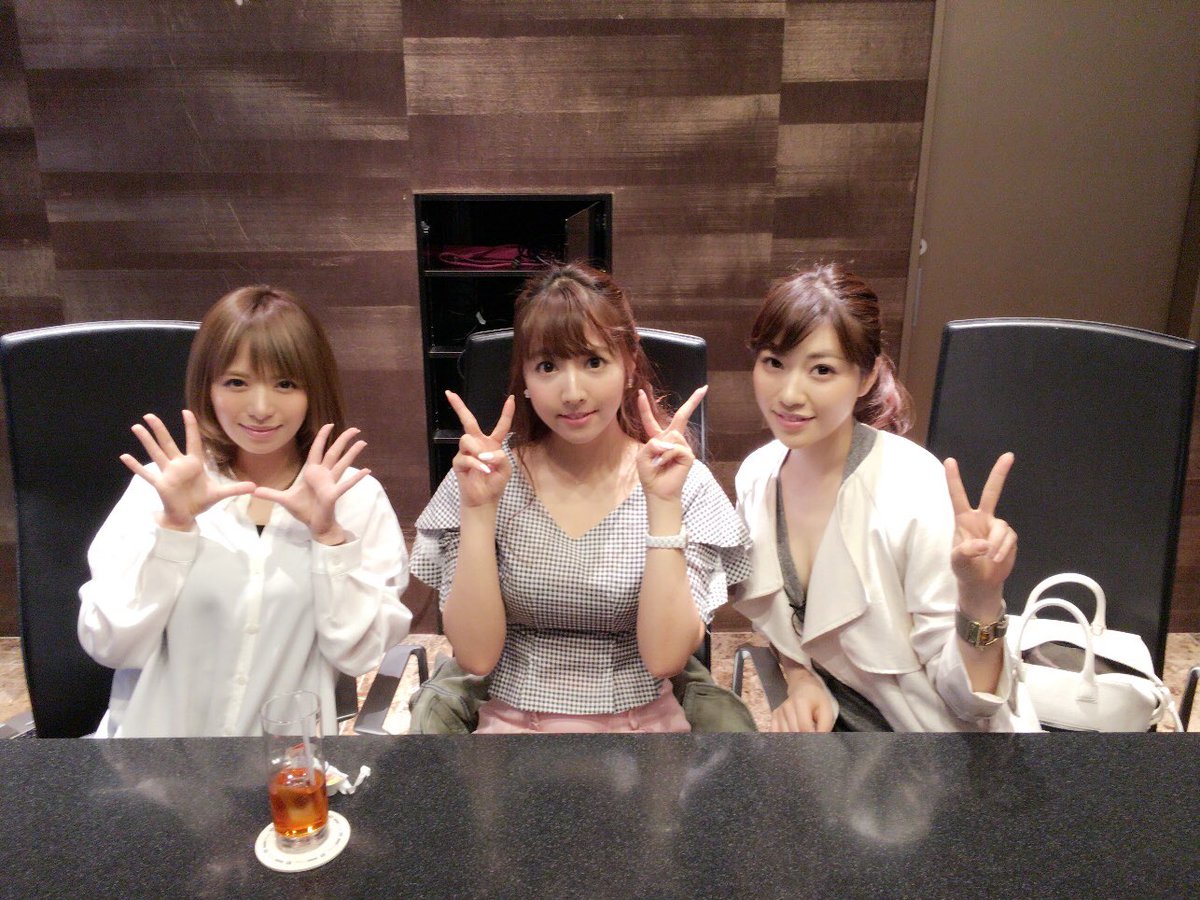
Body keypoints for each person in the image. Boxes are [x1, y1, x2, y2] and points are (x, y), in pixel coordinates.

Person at [410, 263, 751, 733]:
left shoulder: (681, 481)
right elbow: (476, 656)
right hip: (507, 723)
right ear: (524, 379)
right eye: (547, 367)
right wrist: (479, 509)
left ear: (629, 366)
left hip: (644, 726)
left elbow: (666, 659)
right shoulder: (484, 477)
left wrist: (663, 505)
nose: (572, 393)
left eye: (593, 362)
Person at [78, 286, 412, 737]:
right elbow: (109, 644)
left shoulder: (353, 497)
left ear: (313, 390)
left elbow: (359, 655)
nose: (260, 409)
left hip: (284, 766)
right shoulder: (161, 488)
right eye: (236, 382)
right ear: (208, 388)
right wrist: (173, 529)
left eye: (285, 384)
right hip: (152, 761)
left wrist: (329, 539)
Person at [733, 263, 1038, 732]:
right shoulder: (757, 476)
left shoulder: (912, 486)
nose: (789, 394)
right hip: (829, 740)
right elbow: (779, 619)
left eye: (822, 370)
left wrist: (981, 598)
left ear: (866, 377)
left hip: (929, 745)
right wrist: (799, 677)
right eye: (774, 362)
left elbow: (970, 704)